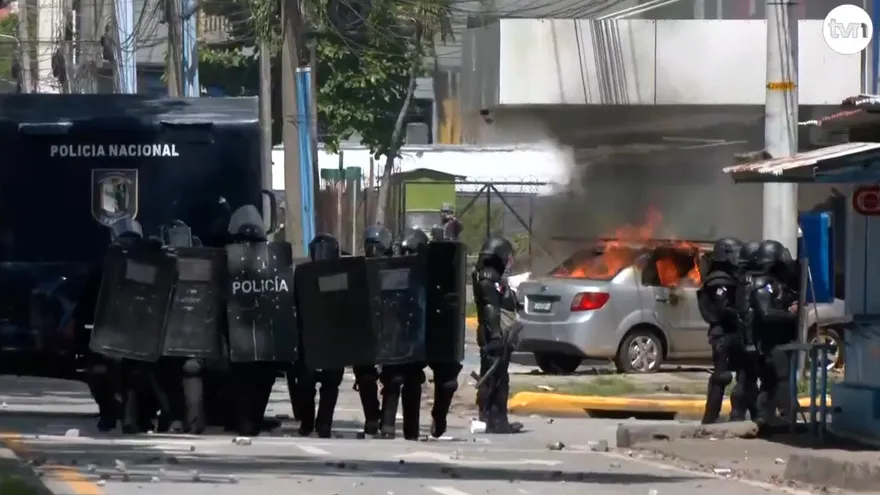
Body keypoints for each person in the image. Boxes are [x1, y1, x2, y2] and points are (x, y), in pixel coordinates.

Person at [378, 228, 429, 440]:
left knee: (409, 381)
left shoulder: (423, 274)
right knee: (395, 380)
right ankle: (390, 426)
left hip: (412, 334)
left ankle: (408, 429)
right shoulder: (394, 272)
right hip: (397, 333)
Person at [295, 233, 346, 438]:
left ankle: (309, 424)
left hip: (310, 338)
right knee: (329, 385)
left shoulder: (302, 273)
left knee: (309, 384)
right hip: (332, 338)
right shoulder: (342, 275)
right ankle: (322, 424)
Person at [472, 236, 523, 434]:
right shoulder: (488, 278)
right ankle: (497, 419)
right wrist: (495, 336)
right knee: (498, 377)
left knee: (492, 375)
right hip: (494, 334)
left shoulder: (486, 275)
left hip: (491, 333)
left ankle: (488, 417)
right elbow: (490, 308)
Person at [696, 237, 746, 425]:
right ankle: (711, 418)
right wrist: (742, 315)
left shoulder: (727, 276)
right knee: (722, 376)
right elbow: (722, 308)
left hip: (731, 332)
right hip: (724, 334)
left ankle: (737, 415)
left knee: (743, 374)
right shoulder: (719, 280)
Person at [751, 240, 799, 430]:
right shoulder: (763, 284)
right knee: (780, 380)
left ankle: (766, 419)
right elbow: (766, 312)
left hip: (776, 341)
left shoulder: (775, 283)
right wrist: (791, 316)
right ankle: (783, 419)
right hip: (771, 343)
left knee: (771, 383)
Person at [353, 225, 391, 435]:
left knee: (377, 375)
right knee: (369, 375)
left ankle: (379, 419)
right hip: (372, 327)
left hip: (379, 327)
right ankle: (378, 419)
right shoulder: (361, 269)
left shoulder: (391, 268)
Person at [728, 240, 762, 421]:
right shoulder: (747, 280)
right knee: (744, 379)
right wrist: (749, 341)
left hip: (743, 337)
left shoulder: (740, 277)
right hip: (747, 339)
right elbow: (746, 312)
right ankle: (739, 415)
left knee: (748, 379)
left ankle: (752, 415)